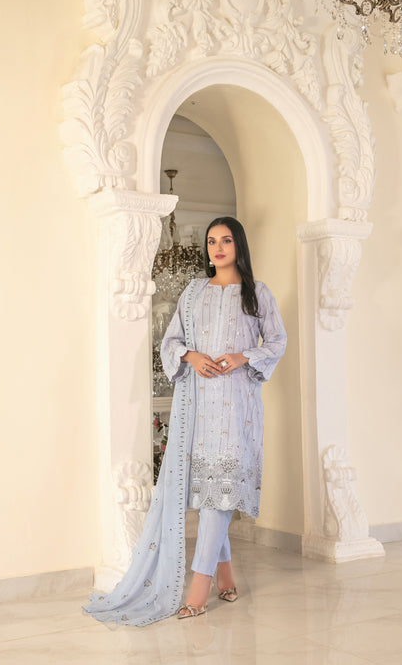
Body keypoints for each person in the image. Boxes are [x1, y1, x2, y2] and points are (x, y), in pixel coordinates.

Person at [83, 217, 286, 626]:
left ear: (238, 245)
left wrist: (244, 356)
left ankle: (198, 589)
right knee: (212, 495)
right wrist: (191, 356)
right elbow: (171, 342)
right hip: (199, 408)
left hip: (238, 408)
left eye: (225, 240)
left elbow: (277, 342)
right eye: (211, 241)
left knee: (220, 494)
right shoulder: (194, 293)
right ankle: (224, 575)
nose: (217, 248)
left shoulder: (258, 293)